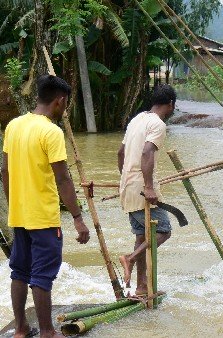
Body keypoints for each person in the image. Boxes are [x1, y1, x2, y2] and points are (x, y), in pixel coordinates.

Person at [2, 75, 90, 338]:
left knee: (19, 271)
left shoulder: (14, 126)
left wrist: (13, 202)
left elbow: (4, 170)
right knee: (42, 275)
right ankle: (48, 332)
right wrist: (77, 217)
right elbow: (63, 177)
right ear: (59, 101)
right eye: (65, 104)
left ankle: (20, 329)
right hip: (43, 218)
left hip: (18, 214)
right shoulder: (51, 131)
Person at [118, 84, 176, 296]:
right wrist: (149, 187)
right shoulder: (157, 124)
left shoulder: (137, 119)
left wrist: (125, 178)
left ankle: (142, 287)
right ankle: (130, 259)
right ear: (170, 104)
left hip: (128, 187)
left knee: (142, 237)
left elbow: (120, 153)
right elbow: (147, 152)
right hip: (142, 189)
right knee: (163, 231)